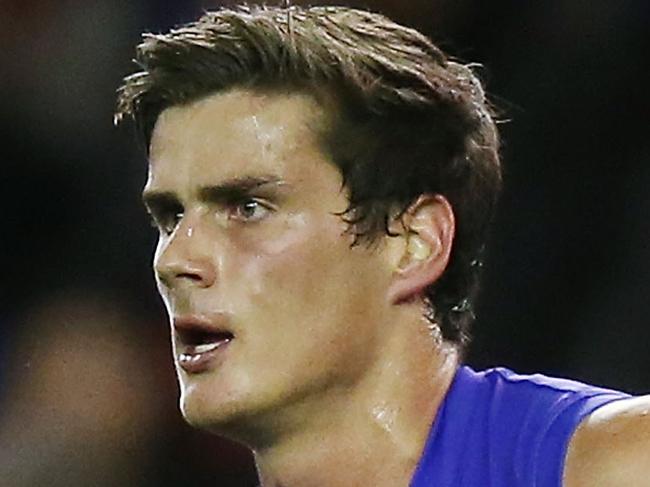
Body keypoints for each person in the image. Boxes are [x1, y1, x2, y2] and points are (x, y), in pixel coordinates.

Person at [115, 5, 649, 486]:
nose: (175, 260)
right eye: (171, 217)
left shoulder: (615, 463)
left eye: (248, 208)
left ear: (413, 242)